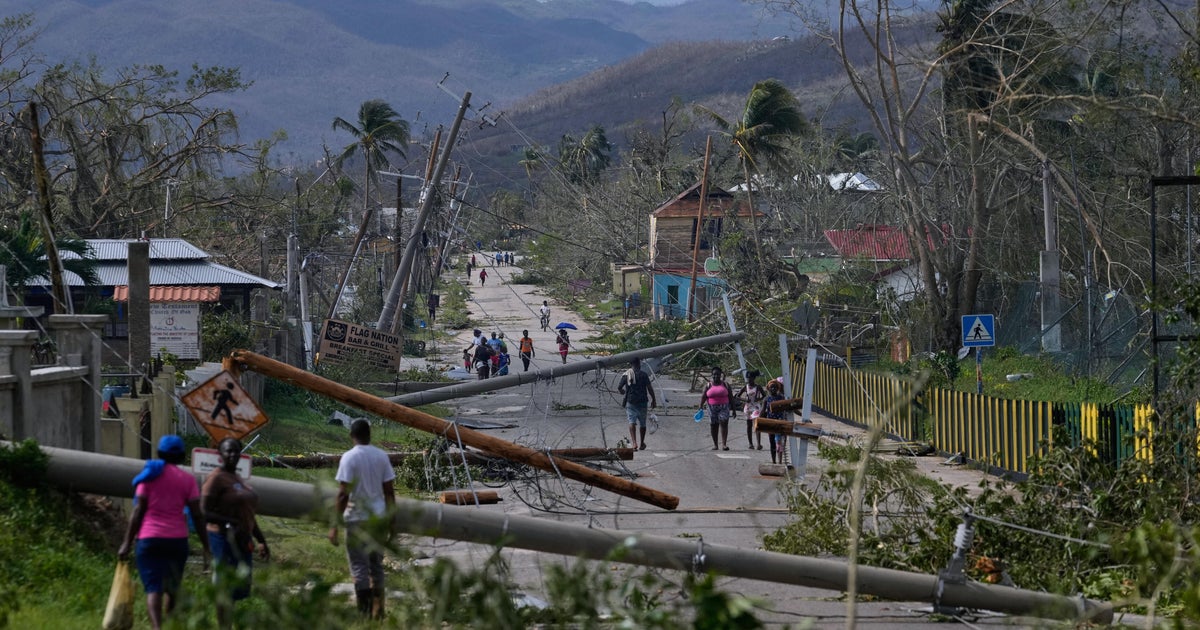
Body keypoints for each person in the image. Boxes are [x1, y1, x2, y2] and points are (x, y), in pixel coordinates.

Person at [118, 435, 210, 630]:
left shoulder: (149, 476)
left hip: (149, 539)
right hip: (177, 541)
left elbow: (138, 511)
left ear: (159, 453)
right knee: (172, 588)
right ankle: (169, 623)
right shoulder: (187, 480)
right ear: (182, 456)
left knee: (153, 589)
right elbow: (198, 515)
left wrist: (126, 542)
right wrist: (206, 545)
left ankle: (157, 627)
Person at [329, 419, 397, 620]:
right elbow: (389, 493)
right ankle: (379, 611)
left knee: (359, 566)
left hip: (357, 519)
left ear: (352, 436)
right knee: (376, 565)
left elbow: (343, 495)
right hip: (377, 519)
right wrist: (392, 523)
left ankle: (364, 614)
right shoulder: (381, 456)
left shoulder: (349, 458)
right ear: (370, 435)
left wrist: (334, 525)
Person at [202, 437, 270, 628]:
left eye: (235, 451)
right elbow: (204, 512)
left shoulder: (237, 478)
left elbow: (248, 515)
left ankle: (228, 623)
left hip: (242, 539)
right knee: (224, 586)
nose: (232, 455)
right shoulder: (216, 478)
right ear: (220, 454)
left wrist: (261, 540)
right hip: (222, 539)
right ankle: (224, 626)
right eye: (227, 451)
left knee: (237, 588)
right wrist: (229, 523)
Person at [618, 357, 657, 450]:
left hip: (631, 402)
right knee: (643, 424)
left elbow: (619, 387)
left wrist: (623, 392)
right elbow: (649, 388)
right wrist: (654, 399)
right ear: (639, 364)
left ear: (631, 365)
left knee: (632, 421)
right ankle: (642, 443)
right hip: (643, 402)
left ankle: (634, 443)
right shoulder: (644, 375)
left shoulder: (626, 375)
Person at [699, 366, 733, 450]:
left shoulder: (725, 384)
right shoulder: (708, 385)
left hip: (724, 407)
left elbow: (731, 397)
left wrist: (734, 409)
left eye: (718, 374)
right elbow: (703, 397)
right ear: (712, 375)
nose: (716, 376)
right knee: (713, 425)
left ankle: (724, 444)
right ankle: (715, 445)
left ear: (720, 375)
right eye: (714, 374)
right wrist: (700, 407)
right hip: (711, 407)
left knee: (724, 422)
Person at [733, 370, 767, 450]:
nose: (749, 380)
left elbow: (764, 395)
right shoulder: (746, 387)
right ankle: (750, 444)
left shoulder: (758, 387)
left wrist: (759, 398)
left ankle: (758, 444)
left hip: (756, 407)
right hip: (748, 407)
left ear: (754, 378)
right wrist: (745, 400)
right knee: (749, 426)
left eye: (750, 378)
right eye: (748, 378)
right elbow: (737, 396)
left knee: (757, 425)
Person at [761, 379, 787, 464]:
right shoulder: (766, 399)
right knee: (772, 442)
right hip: (770, 423)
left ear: (778, 388)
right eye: (771, 387)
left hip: (779, 422)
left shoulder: (781, 398)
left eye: (775, 387)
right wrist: (758, 420)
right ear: (768, 388)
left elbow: (788, 407)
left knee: (779, 442)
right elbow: (762, 411)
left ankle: (780, 462)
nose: (773, 389)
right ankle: (774, 461)